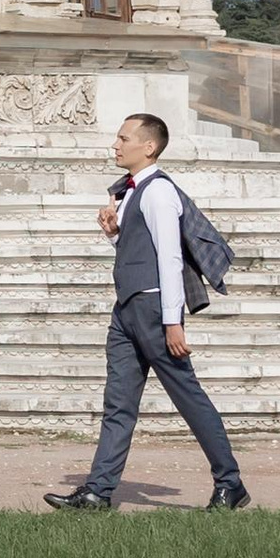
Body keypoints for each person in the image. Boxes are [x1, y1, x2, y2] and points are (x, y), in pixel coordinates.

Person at [45, 112, 249, 513]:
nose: (116, 145)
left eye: (124, 138)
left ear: (149, 146)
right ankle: (98, 492)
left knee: (189, 398)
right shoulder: (133, 192)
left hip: (153, 310)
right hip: (127, 310)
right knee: (118, 403)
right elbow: (140, 251)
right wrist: (114, 235)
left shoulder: (158, 192)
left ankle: (231, 483)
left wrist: (172, 322)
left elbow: (170, 259)